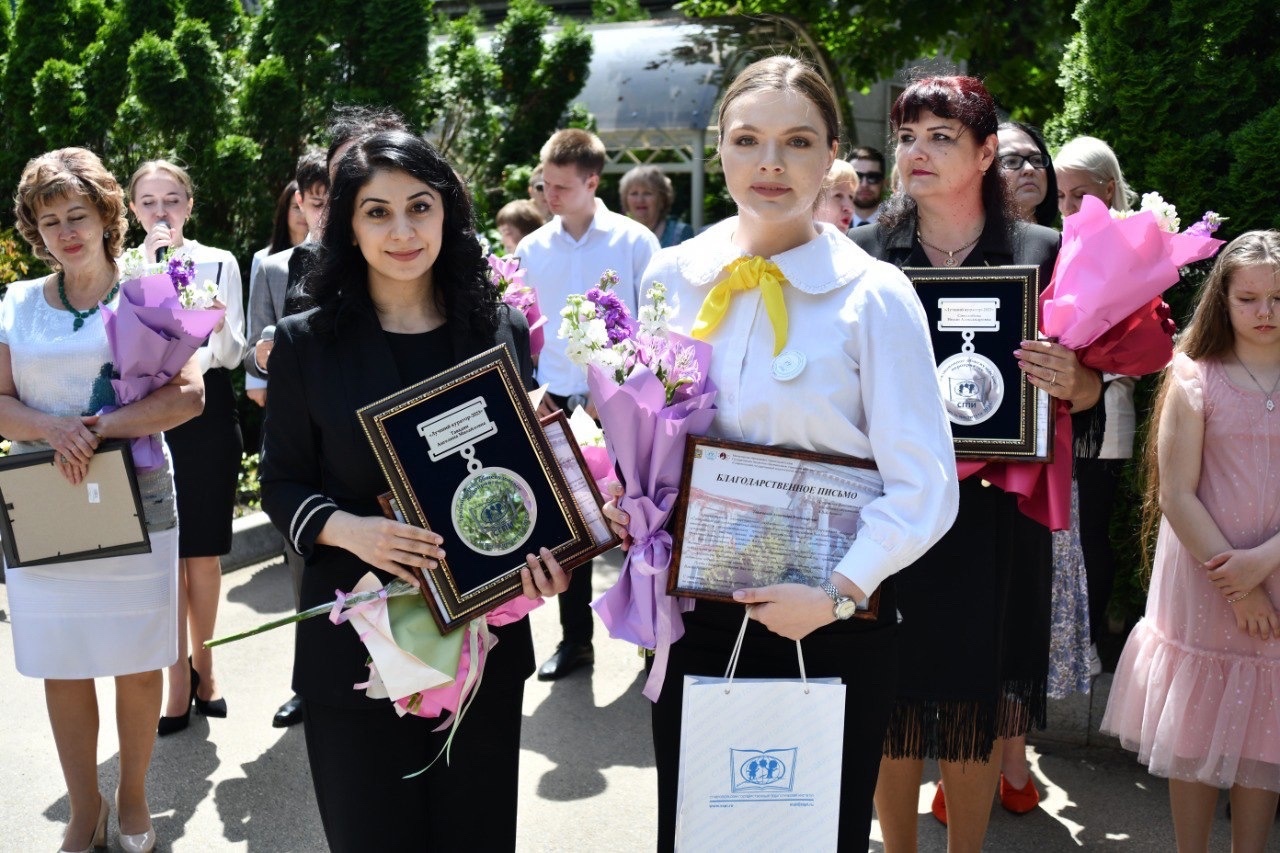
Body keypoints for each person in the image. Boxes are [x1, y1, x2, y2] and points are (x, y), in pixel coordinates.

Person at [606, 55, 959, 850]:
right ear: (720, 147)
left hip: (829, 621)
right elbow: (645, 435)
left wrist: (835, 592)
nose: (770, 163)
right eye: (748, 139)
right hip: (694, 613)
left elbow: (926, 486)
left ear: (833, 154)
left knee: (808, 834)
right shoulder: (671, 275)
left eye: (798, 141)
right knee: (699, 830)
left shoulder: (873, 296)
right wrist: (621, 494)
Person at [258, 129, 569, 851]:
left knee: (476, 834)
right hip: (358, 640)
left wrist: (547, 553)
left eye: (419, 207)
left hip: (484, 642)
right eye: (377, 212)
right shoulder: (304, 342)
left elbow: (517, 479)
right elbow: (281, 482)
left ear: (447, 213)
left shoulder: (498, 328)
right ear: (346, 224)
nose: (402, 231)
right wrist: (346, 528)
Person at [849, 76, 1103, 853]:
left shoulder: (1042, 253)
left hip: (992, 522)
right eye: (906, 138)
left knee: (972, 704)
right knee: (888, 698)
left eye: (940, 137)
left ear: (987, 151)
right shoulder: (862, 255)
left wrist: (1079, 383)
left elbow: (1089, 404)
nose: (916, 153)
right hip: (887, 514)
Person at [3, 147, 204, 853]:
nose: (65, 231)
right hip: (45, 500)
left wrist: (101, 427)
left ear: (106, 215)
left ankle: (136, 797)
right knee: (63, 658)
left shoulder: (147, 295)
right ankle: (84, 807)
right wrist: (52, 429)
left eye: (77, 215)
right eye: (49, 219)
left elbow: (189, 395)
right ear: (34, 229)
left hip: (138, 494)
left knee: (139, 657)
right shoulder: (18, 304)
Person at [1101, 231, 1280, 853]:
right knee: (1198, 729)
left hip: (1276, 566)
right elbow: (1177, 494)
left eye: (1279, 298)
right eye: (1249, 299)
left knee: (1267, 725)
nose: (1265, 313)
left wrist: (1265, 562)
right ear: (1223, 303)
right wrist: (1239, 583)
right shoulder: (1195, 376)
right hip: (1206, 576)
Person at [515, 128, 660, 681]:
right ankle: (576, 642)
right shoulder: (532, 248)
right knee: (567, 526)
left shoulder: (632, 242)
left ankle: (651, 640)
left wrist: (623, 389)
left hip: (620, 399)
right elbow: (525, 326)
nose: (549, 195)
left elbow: (655, 323)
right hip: (554, 400)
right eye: (544, 185)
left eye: (560, 186)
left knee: (639, 522)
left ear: (592, 182)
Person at [127, 159, 247, 737]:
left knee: (202, 552)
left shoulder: (218, 261)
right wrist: (150, 272)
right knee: (164, 554)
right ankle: (176, 679)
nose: (160, 213)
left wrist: (195, 299)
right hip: (149, 408)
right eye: (148, 203)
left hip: (206, 406)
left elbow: (232, 348)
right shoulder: (124, 267)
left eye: (171, 200)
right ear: (132, 211)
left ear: (189, 206)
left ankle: (208, 664)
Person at [1055, 136, 1141, 674]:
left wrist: (1091, 368)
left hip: (1107, 421)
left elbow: (1143, 343)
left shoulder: (1134, 246)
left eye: (1078, 194)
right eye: (1061, 195)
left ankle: (1086, 645)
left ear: (1109, 189)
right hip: (1057, 416)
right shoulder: (1059, 240)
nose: (1066, 207)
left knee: (1092, 534)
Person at [246, 179, 307, 409]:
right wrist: (255, 381)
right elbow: (257, 320)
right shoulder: (265, 260)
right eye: (295, 207)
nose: (302, 214)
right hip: (276, 372)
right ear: (284, 211)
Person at [619, 164, 694, 247]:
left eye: (647, 193)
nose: (640, 200)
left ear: (662, 199)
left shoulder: (681, 233)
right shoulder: (619, 235)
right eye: (634, 193)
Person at [814, 158, 857, 232]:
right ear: (813, 201)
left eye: (851, 197)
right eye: (838, 195)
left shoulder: (849, 243)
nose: (849, 208)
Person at [848, 145, 887, 227]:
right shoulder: (831, 225)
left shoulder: (899, 225)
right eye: (857, 176)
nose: (864, 184)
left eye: (873, 177)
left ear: (884, 183)